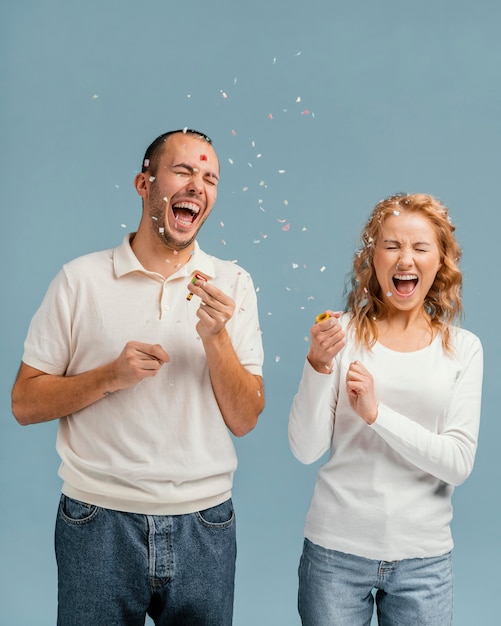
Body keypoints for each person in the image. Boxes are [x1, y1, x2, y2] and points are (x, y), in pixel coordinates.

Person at [11, 128, 265, 626]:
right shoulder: (79, 280)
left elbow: (245, 418)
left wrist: (217, 339)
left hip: (205, 524)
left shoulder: (233, 284)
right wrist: (109, 376)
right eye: (184, 171)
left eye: (210, 177)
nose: (199, 185)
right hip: (96, 521)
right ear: (144, 183)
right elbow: (24, 403)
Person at [288, 193, 483, 626]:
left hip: (424, 561)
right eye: (392, 246)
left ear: (441, 260)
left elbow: (457, 464)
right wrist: (318, 366)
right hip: (334, 555)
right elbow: (305, 449)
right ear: (372, 257)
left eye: (420, 247)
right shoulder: (339, 334)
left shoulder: (464, 350)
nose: (404, 260)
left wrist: (377, 414)